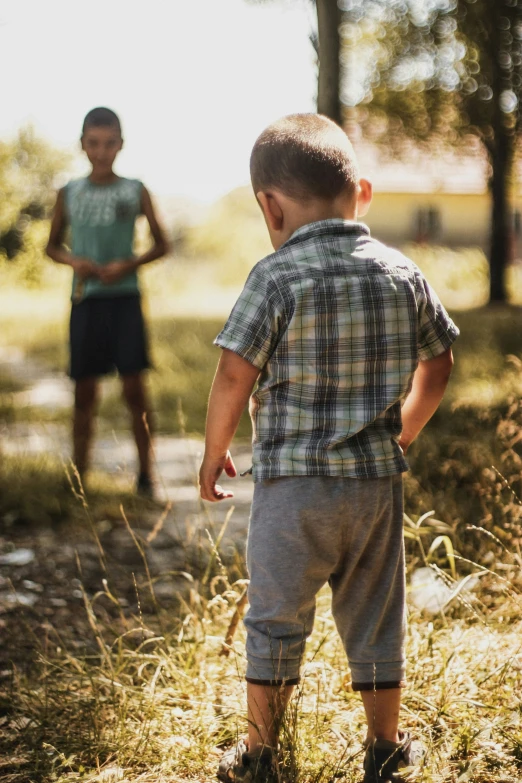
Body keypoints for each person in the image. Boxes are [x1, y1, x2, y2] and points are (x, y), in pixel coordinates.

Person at [199, 114, 459, 783]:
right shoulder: (403, 272)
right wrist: (402, 429)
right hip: (374, 487)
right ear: (361, 193)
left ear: (270, 205)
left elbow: (234, 371)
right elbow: (440, 364)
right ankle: (385, 745)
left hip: (293, 489)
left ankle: (260, 752)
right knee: (376, 614)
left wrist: (213, 450)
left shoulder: (275, 276)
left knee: (276, 614)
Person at [47, 107, 169, 496]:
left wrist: (128, 263)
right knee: (84, 392)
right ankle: (79, 475)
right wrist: (74, 260)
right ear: (83, 144)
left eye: (110, 143)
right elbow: (50, 247)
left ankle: (146, 475)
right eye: (94, 144)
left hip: (125, 300)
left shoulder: (135, 189)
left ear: (121, 144)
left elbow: (162, 244)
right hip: (86, 301)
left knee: (135, 390)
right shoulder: (68, 192)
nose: (102, 152)